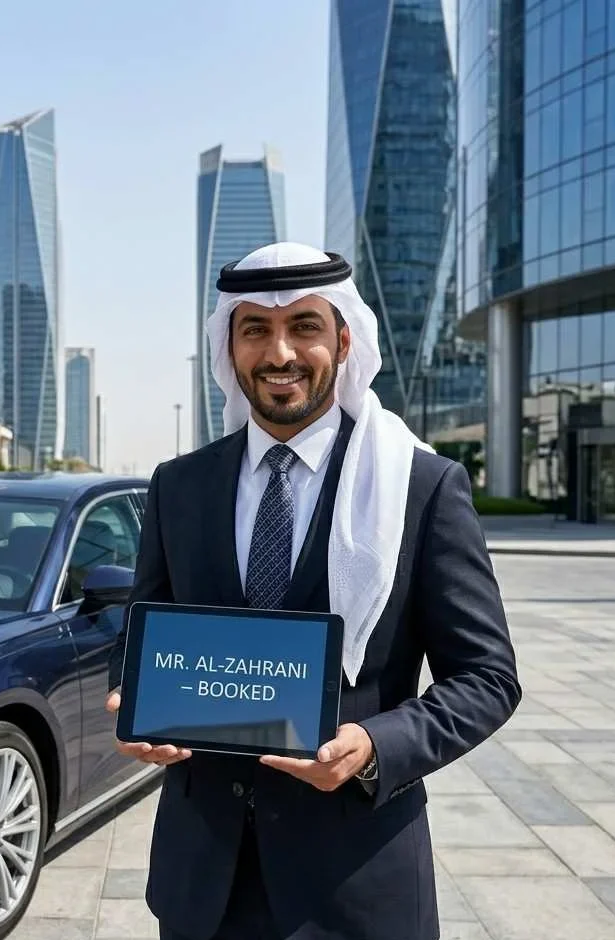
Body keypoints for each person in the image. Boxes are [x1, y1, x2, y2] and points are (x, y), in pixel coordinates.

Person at [105, 242, 521, 940]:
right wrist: (132, 699)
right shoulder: (179, 486)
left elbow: (487, 678)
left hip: (355, 883)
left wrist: (375, 744)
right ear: (229, 348)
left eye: (304, 326)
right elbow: (142, 634)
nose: (280, 354)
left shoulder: (418, 488)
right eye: (255, 330)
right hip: (203, 883)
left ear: (344, 340)